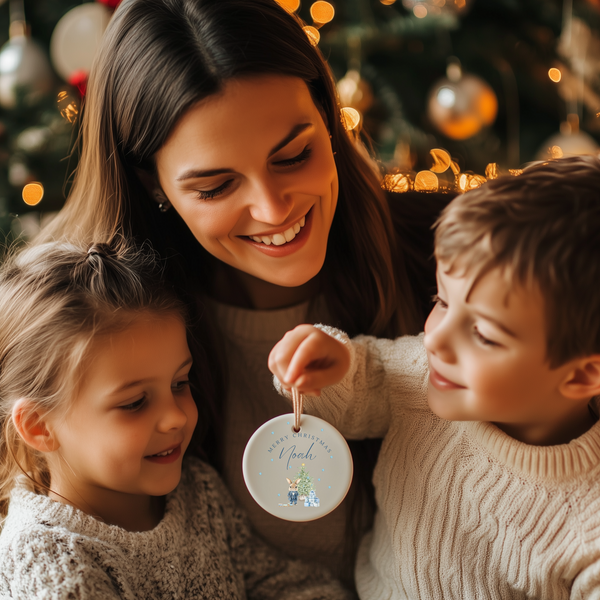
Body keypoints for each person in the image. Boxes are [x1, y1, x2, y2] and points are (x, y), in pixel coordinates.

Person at [38, 0, 452, 582]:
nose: (273, 208)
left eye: (293, 156)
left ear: (329, 119)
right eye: (214, 186)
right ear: (151, 184)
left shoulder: (461, 261)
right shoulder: (89, 334)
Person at [269, 156, 600, 599]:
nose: (434, 339)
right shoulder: (421, 377)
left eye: (482, 334)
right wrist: (329, 363)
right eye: (441, 300)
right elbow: (359, 386)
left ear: (582, 375)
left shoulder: (586, 526)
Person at [0, 239, 352, 600]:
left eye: (180, 383)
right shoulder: (50, 564)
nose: (175, 416)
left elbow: (283, 584)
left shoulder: (198, 492)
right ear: (39, 426)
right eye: (135, 402)